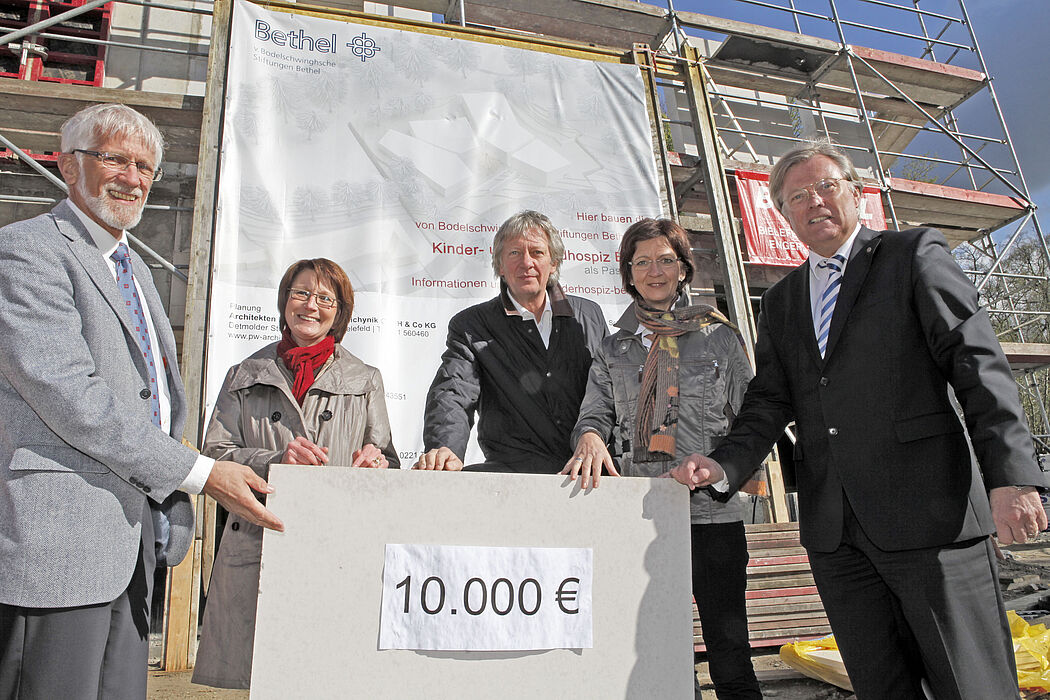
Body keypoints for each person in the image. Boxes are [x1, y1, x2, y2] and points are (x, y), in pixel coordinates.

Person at [672, 140, 1049, 699]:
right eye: (797, 196)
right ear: (783, 214)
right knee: (881, 687)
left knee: (972, 686)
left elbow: (978, 368)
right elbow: (770, 401)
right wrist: (723, 465)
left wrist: (1012, 476)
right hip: (837, 536)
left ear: (856, 192)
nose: (814, 202)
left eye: (826, 186)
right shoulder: (781, 301)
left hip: (930, 520)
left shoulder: (913, 255)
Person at [0, 103, 282, 700]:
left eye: (146, 166)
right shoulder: (27, 252)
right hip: (59, 546)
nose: (133, 177)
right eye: (115, 159)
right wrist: (200, 474)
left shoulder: (131, 267)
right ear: (70, 165)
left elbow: (154, 400)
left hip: (132, 544)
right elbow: (71, 396)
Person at [563, 218, 760, 699]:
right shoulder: (614, 348)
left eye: (666, 260)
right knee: (659, 650)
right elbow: (595, 414)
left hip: (712, 515)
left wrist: (728, 472)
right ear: (628, 273)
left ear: (683, 268)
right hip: (645, 517)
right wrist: (589, 436)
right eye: (643, 261)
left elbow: (754, 421)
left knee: (729, 650)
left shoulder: (719, 337)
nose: (655, 271)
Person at [192, 258, 398, 689]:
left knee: (327, 674)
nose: (311, 305)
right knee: (261, 677)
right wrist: (274, 461)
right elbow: (214, 454)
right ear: (285, 300)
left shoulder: (365, 379)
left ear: (339, 313)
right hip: (258, 538)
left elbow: (389, 461)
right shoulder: (244, 375)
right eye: (301, 293)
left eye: (326, 298)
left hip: (337, 543)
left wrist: (376, 464)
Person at [415, 210, 607, 474]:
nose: (526, 262)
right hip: (512, 475)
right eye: (514, 253)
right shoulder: (472, 326)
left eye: (537, 253)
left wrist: (595, 435)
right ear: (500, 266)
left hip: (588, 472)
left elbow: (609, 392)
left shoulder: (589, 315)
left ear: (554, 263)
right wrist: (445, 447)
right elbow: (452, 392)